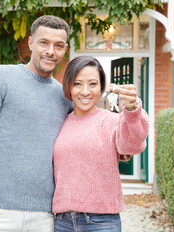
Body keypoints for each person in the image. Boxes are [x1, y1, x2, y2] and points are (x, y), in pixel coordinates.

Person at [0, 15, 72, 232]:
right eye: (44, 43)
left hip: (45, 217)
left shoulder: (64, 96)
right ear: (31, 43)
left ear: (65, 49)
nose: (51, 51)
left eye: (58, 45)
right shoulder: (0, 78)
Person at [52, 56, 149, 232]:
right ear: (68, 86)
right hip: (62, 221)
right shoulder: (60, 122)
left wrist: (132, 109)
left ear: (101, 87)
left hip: (101, 223)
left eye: (92, 84)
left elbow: (132, 146)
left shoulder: (110, 121)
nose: (85, 91)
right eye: (77, 84)